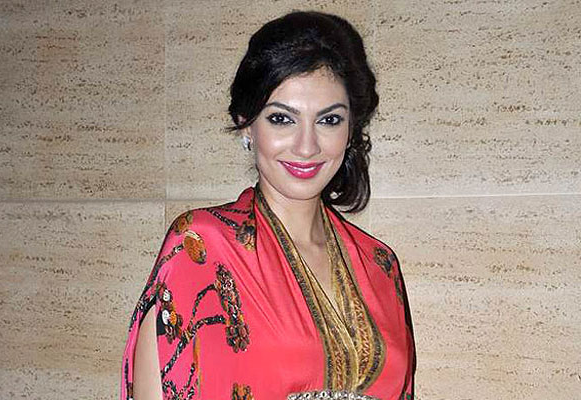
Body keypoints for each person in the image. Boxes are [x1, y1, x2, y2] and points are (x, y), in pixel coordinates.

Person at [121, 11, 415, 400]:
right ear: (246, 123)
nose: (307, 146)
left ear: (350, 130)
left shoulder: (380, 265)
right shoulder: (201, 246)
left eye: (329, 120)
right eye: (281, 119)